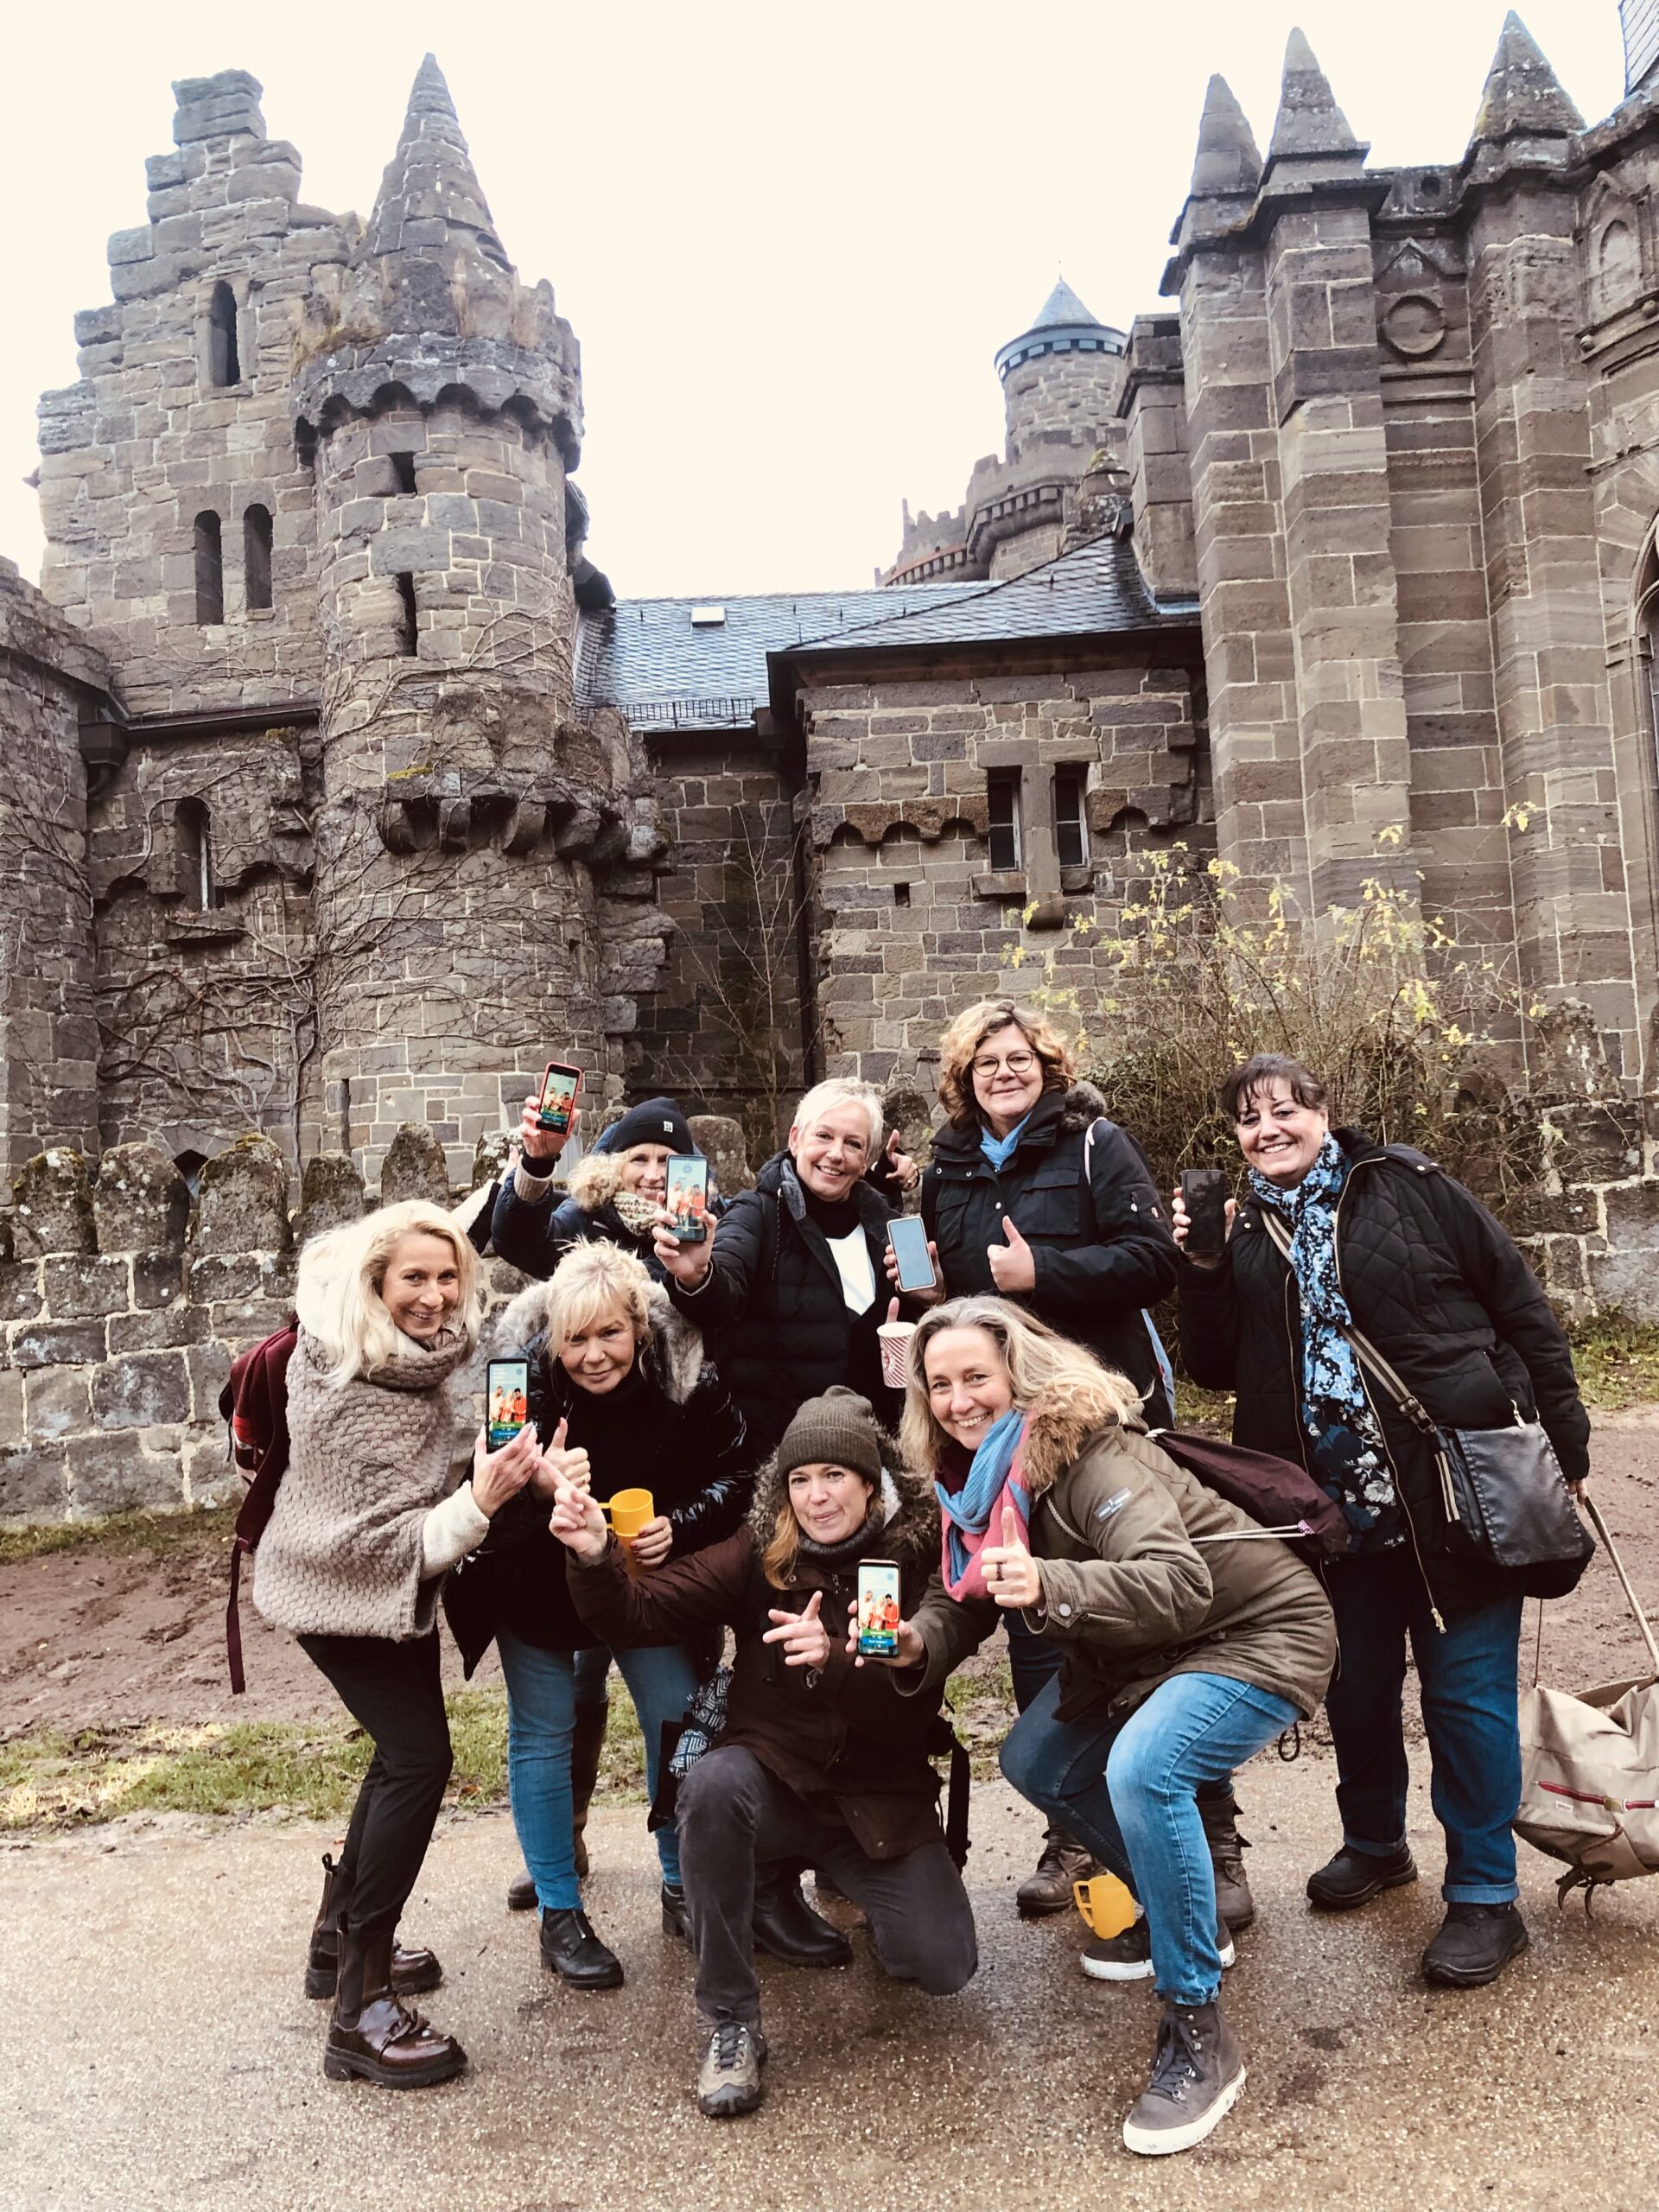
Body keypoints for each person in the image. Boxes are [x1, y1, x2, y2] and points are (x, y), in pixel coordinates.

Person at [1175, 1052, 1592, 1990]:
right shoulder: (1243, 1230)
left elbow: (1519, 1302)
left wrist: (1563, 1446)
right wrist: (1200, 1264)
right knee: (1355, 1690)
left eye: (1286, 1109)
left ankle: (1486, 1896)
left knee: (1465, 1697)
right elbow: (1214, 1367)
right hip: (1327, 1516)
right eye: (1249, 1118)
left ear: (1326, 1112)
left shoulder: (1410, 1185)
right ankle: (1376, 1843)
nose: (1268, 1128)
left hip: (1452, 1495)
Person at [887, 1295, 1334, 2158]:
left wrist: (1052, 1583)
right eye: (939, 1384)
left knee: (1141, 1770)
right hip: (1146, 1651)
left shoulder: (1089, 1455)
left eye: (977, 1376)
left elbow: (1177, 1582)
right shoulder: (973, 1476)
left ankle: (1200, 2033)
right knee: (1038, 1758)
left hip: (1255, 1632)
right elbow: (965, 1593)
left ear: (1020, 1374)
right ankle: (1185, 1911)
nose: (958, 1399)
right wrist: (919, 1641)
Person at [546, 1386, 978, 2120]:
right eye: (800, 1479)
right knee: (712, 1787)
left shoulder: (915, 1556)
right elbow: (640, 1611)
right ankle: (730, 2021)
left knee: (941, 1965)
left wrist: (840, 1660)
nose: (816, 1496)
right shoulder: (761, 1549)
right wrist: (594, 1555)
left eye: (835, 1476)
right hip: (771, 1782)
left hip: (873, 1804)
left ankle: (850, 1894)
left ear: (871, 1483)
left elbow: (912, 1690)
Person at [892, 998, 1194, 1918]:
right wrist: (930, 1295)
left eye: (1019, 1058)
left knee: (1139, 1609)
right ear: (962, 1079)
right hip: (998, 1429)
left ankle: (1201, 1829)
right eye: (986, 1064)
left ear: (1046, 1064)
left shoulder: (1095, 1142)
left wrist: (1043, 1273)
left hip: (1098, 1415)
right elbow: (945, 1284)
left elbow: (1153, 1260)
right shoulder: (944, 1170)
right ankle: (1075, 1831)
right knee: (1030, 1613)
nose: (1004, 1073)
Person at [254, 1199, 552, 2088]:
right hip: (337, 1586)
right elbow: (398, 1537)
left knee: (400, 1754)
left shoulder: (411, 1361)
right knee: (420, 1760)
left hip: (378, 1592)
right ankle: (360, 2006)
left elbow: (428, 1477)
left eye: (447, 1274)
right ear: (374, 1284)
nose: (434, 1295)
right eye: (412, 1278)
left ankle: (331, 1939)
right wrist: (485, 1496)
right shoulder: (347, 1384)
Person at [443, 1241, 753, 1986]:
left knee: (676, 1717)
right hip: (539, 1588)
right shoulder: (517, 1383)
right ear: (552, 1337)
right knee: (544, 1734)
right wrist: (536, 1483)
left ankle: (680, 1881)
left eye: (608, 1334)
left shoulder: (686, 1377)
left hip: (640, 1586)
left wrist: (680, 1523)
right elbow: (480, 1490)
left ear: (639, 1329)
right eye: (574, 1339)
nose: (592, 1356)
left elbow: (740, 1474)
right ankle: (559, 1908)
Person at [652, 1078, 905, 1459]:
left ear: (867, 1158)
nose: (836, 1154)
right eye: (824, 1136)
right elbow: (723, 1293)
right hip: (777, 1451)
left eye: (853, 1144)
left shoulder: (885, 1225)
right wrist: (695, 1276)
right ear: (795, 1139)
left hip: (868, 1450)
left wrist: (930, 1296)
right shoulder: (757, 1212)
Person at [492, 1092, 705, 1284]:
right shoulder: (587, 1217)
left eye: (665, 1161)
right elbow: (522, 1245)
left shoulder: (709, 1228)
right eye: (639, 1159)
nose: (652, 1175)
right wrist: (537, 1163)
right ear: (617, 1167)